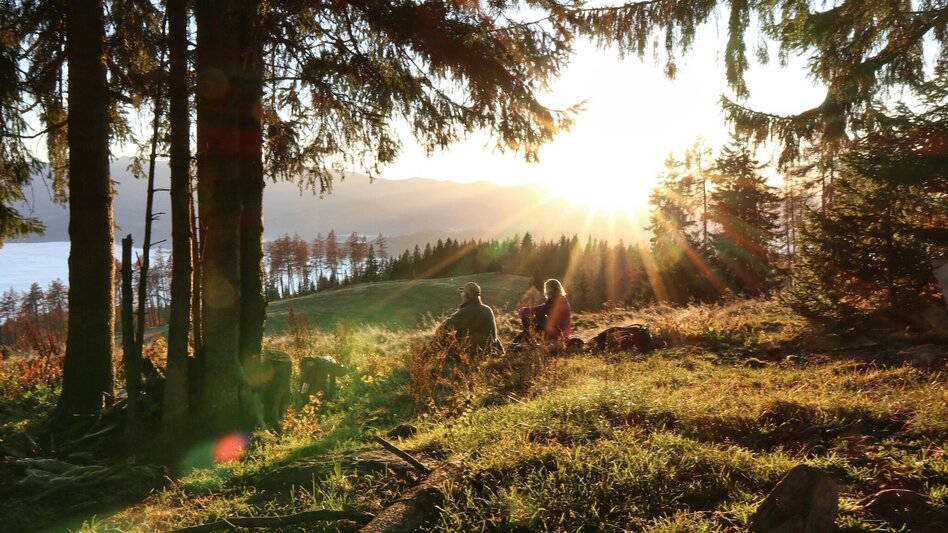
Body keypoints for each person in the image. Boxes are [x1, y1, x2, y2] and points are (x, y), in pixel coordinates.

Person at [436, 281, 501, 356]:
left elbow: (443, 328)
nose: (461, 295)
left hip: (476, 351)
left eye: (463, 293)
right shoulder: (487, 309)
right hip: (491, 348)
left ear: (466, 295)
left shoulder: (467, 311)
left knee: (443, 337)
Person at [518, 278, 572, 343]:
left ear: (550, 289)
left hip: (557, 334)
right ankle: (527, 338)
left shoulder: (554, 300)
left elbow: (541, 308)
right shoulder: (562, 299)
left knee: (529, 317)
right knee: (539, 315)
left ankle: (528, 341)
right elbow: (543, 308)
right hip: (562, 332)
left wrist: (524, 310)